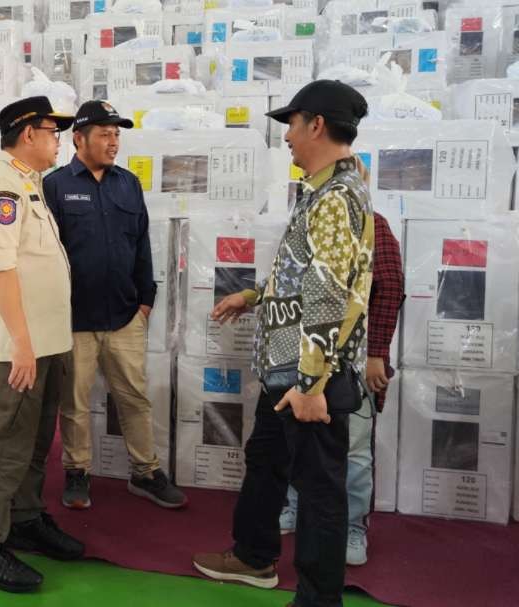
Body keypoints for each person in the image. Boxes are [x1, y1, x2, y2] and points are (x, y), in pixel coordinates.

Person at [192, 79, 373, 607]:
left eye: (291, 125)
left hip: (307, 377)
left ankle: (318, 599)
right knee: (265, 458)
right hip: (286, 371)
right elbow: (302, 274)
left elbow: (327, 295)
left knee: (318, 491)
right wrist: (253, 295)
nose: (287, 138)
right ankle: (253, 555)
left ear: (316, 124)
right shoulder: (323, 189)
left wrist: (312, 384)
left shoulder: (337, 198)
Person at [0, 96, 81, 594]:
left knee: (34, 444)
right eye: (54, 131)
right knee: (9, 447)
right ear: (27, 134)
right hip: (19, 349)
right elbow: (0, 268)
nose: (59, 141)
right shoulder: (2, 187)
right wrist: (22, 344)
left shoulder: (29, 184)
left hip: (46, 343)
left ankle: (25, 519)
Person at [43, 100, 187, 511]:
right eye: (105, 134)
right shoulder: (54, 186)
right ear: (79, 139)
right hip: (74, 321)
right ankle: (77, 472)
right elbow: (48, 256)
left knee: (135, 398)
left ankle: (145, 473)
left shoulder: (128, 184)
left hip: (126, 316)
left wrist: (146, 299)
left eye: (117, 134)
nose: (113, 142)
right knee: (74, 403)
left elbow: (141, 244)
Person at [279, 209, 404, 566]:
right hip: (304, 352)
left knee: (354, 449)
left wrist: (377, 352)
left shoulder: (371, 222)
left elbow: (391, 284)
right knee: (298, 437)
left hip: (353, 355)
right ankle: (297, 505)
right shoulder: (305, 221)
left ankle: (353, 527)